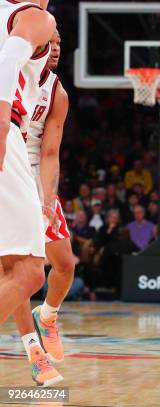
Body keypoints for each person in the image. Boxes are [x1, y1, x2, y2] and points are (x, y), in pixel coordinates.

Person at [0, 0, 59, 387]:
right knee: (28, 270)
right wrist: (2, 119)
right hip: (9, 131)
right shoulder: (35, 15)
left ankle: (36, 352)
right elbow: (7, 62)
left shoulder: (56, 90)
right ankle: (35, 348)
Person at [11, 29, 73, 386]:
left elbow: (50, 152)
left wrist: (48, 198)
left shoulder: (57, 92)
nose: (55, 49)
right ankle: (34, 352)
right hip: (8, 172)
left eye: (60, 44)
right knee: (17, 269)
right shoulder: (9, 72)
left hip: (34, 172)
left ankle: (47, 316)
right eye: (49, 41)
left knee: (64, 264)